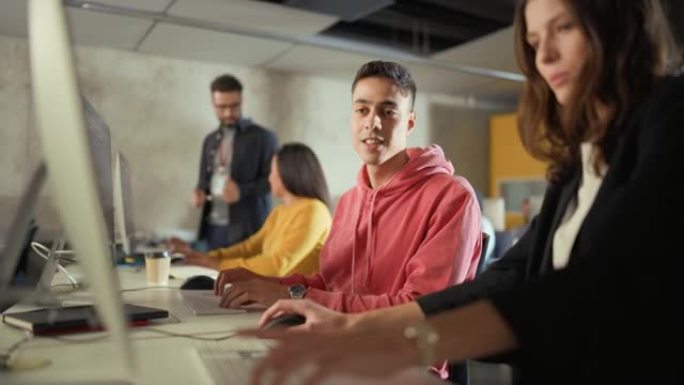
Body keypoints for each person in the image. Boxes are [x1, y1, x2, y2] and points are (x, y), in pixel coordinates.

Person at [245, 0, 684, 384]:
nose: (544, 56)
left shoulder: (671, 115)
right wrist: (356, 329)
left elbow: (597, 287)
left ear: (618, 21)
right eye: (533, 40)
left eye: (563, 28)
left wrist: (397, 342)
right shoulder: (579, 161)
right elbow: (506, 279)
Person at [213, 61, 483, 313]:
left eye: (388, 112)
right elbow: (329, 284)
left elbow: (417, 311)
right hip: (334, 337)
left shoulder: (451, 197)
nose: (372, 122)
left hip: (403, 357)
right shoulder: (349, 200)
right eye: (362, 110)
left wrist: (293, 298)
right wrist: (270, 284)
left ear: (410, 122)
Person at [170, 143, 332, 277]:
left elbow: (275, 265)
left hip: (298, 298)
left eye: (273, 172)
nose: (269, 178)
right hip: (274, 293)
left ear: (289, 173)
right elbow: (250, 247)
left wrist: (219, 265)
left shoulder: (313, 211)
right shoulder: (281, 211)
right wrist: (206, 257)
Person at [193, 74, 277, 250]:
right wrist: (199, 192)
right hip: (212, 228)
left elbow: (273, 183)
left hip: (248, 230)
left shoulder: (264, 137)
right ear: (213, 104)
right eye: (221, 107)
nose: (228, 113)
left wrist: (241, 191)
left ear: (242, 100)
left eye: (234, 106)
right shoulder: (209, 140)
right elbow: (203, 181)